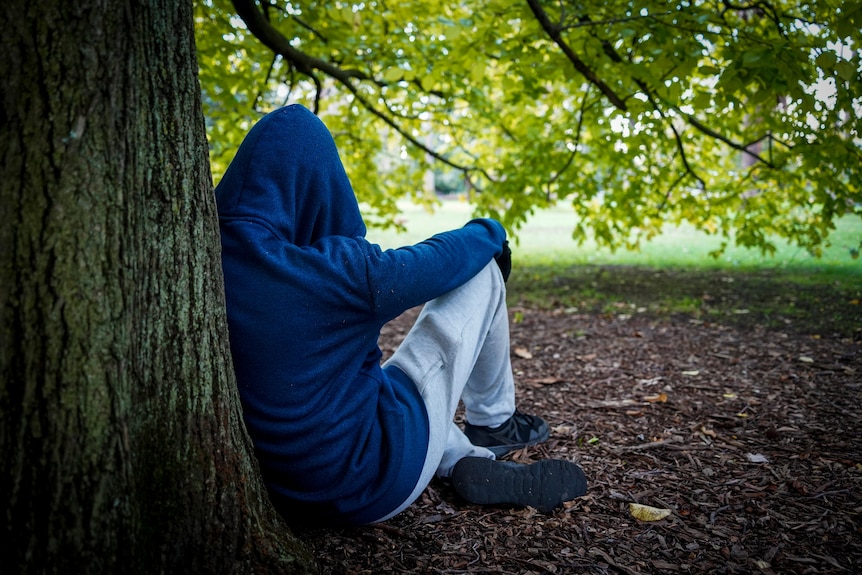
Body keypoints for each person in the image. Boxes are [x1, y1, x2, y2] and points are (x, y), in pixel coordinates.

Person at [215, 105, 587, 526]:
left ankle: (461, 459)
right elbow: (443, 259)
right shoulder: (336, 272)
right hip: (371, 483)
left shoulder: (202, 262)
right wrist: (491, 233)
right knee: (480, 272)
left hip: (280, 488)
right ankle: (495, 423)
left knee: (379, 387)